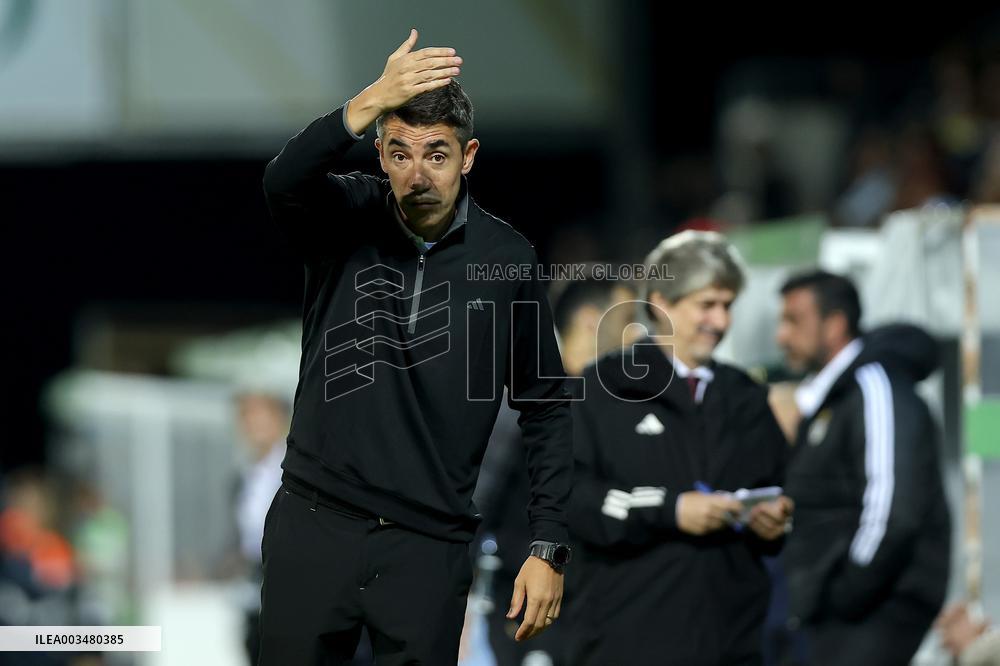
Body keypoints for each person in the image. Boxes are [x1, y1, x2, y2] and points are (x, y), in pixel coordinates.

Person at [259, 29, 573, 665]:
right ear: (379, 154)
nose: (418, 173)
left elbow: (546, 408)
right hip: (317, 522)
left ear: (469, 156)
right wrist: (370, 98)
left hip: (428, 546)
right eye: (400, 153)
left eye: (437, 154)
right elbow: (282, 180)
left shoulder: (506, 258)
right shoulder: (345, 216)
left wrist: (548, 548)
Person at [566, 231, 792, 665]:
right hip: (627, 640)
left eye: (727, 306)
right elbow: (571, 498)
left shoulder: (745, 397)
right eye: (706, 305)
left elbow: (780, 486)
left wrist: (774, 521)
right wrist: (670, 510)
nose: (720, 321)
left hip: (732, 642)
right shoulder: (601, 389)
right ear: (662, 303)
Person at [777, 271, 950, 666]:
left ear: (835, 324)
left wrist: (848, 589)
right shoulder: (833, 397)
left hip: (875, 607)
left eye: (793, 321)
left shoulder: (875, 386)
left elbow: (893, 507)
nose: (781, 336)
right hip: (837, 611)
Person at [475, 277, 637, 666]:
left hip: (598, 611)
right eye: (628, 320)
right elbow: (480, 499)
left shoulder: (615, 406)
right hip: (528, 612)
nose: (638, 336)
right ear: (589, 320)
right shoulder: (527, 399)